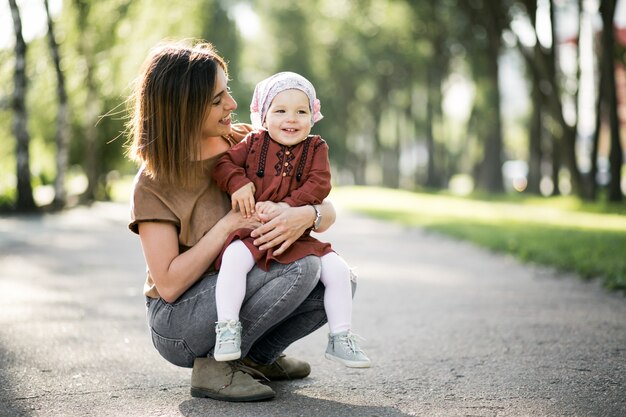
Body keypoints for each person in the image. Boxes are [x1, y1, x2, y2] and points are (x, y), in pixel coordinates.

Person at [126, 40, 351, 402]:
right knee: (302, 268)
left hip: (235, 286)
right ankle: (214, 367)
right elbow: (168, 285)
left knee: (338, 283)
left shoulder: (249, 139)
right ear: (182, 109)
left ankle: (255, 359)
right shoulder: (155, 182)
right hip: (179, 319)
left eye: (226, 91)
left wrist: (306, 215)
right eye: (217, 100)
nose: (231, 103)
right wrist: (230, 224)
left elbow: (327, 208)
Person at [211, 72, 370, 369]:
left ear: (313, 116)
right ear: (264, 115)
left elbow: (319, 183)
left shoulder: (316, 148)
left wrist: (288, 207)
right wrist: (238, 183)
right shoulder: (253, 143)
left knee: (338, 271)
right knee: (233, 258)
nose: (291, 119)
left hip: (296, 233)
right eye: (280, 110)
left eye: (301, 111)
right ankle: (228, 329)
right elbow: (223, 164)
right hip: (253, 231)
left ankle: (341, 336)